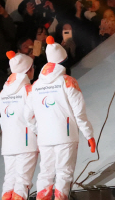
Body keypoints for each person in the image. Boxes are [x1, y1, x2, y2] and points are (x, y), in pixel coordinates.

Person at [24, 36, 95, 200]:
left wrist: (38, 132)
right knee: (64, 173)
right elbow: (79, 113)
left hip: (45, 138)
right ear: (63, 61)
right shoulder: (68, 81)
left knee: (46, 173)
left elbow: (28, 116)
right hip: (66, 135)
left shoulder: (35, 86)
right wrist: (88, 135)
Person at [0, 51, 38, 200]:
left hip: (8, 144)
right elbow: (32, 117)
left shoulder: (3, 92)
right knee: (22, 183)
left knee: (9, 182)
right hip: (26, 143)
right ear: (28, 69)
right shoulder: (29, 90)